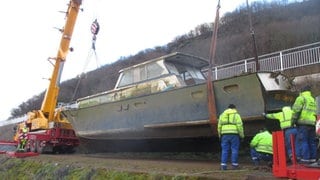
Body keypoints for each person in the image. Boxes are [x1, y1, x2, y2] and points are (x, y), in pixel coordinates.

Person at [292, 85, 317, 163]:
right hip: (312, 123)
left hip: (303, 123)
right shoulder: (313, 99)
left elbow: (296, 111)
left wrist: (292, 121)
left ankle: (305, 159)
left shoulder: (301, 98)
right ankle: (313, 158)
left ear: (302, 91)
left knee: (303, 141)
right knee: (312, 141)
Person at [217, 104, 244, 170]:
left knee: (224, 150)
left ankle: (223, 166)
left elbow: (219, 126)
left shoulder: (222, 115)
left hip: (224, 134)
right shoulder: (236, 115)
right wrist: (242, 135)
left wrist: (220, 135)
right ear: (234, 108)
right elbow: (240, 126)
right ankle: (234, 165)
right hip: (234, 134)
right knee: (234, 149)